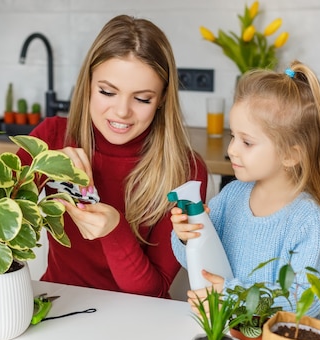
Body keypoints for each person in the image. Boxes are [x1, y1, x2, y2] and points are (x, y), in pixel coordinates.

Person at [19, 15, 209, 298]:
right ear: (88, 85)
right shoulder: (51, 139)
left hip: (136, 319)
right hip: (59, 303)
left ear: (163, 99)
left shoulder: (186, 171)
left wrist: (115, 229)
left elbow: (153, 291)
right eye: (107, 92)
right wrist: (45, 166)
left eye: (142, 98)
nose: (122, 111)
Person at [171, 60, 320, 317]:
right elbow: (198, 266)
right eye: (232, 136)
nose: (231, 149)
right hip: (228, 334)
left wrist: (233, 295)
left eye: (247, 142)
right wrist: (187, 237)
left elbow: (309, 301)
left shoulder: (308, 222)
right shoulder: (231, 196)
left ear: (290, 155)